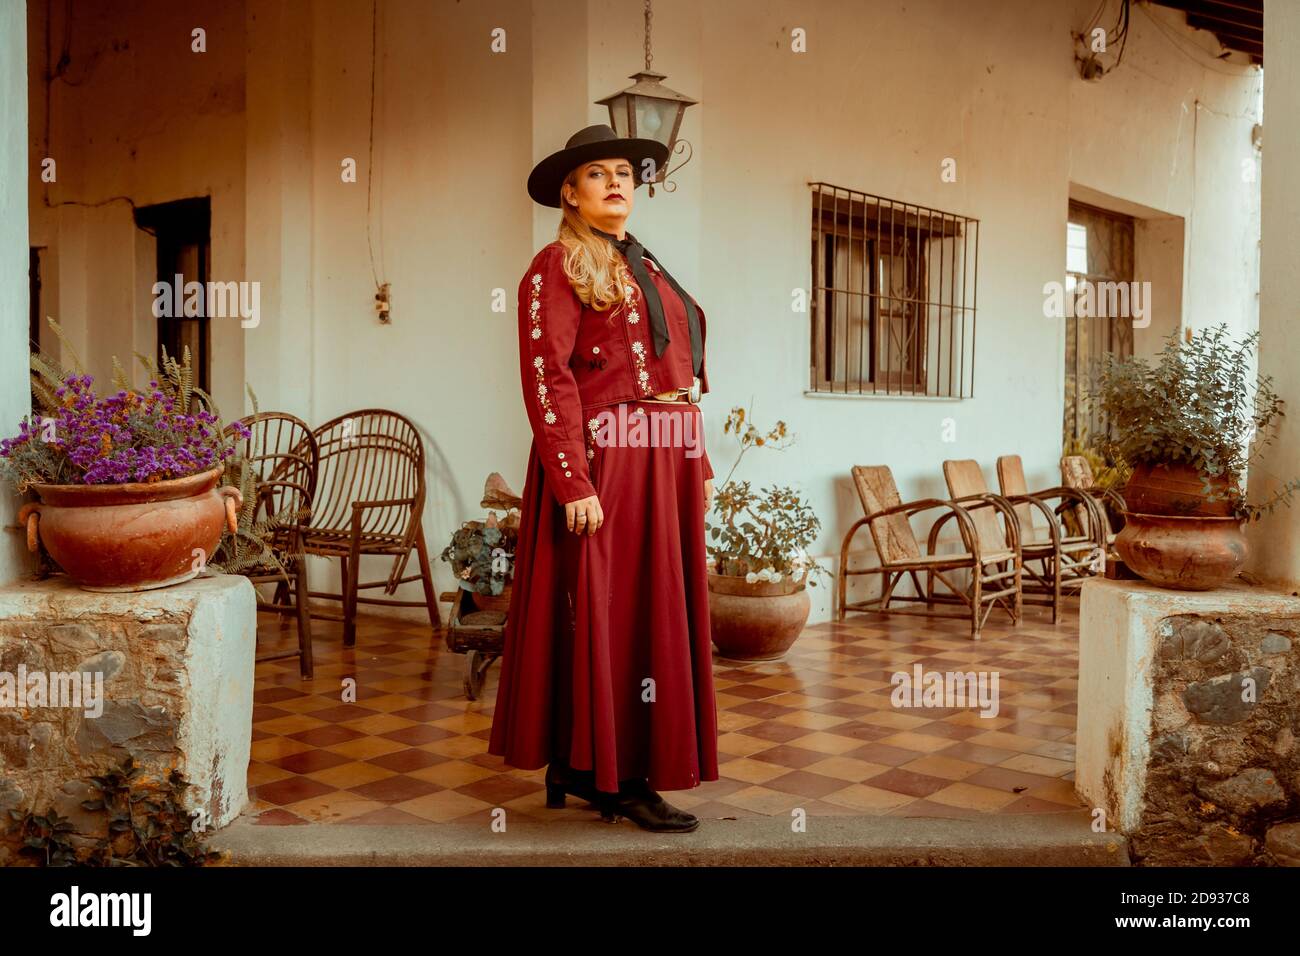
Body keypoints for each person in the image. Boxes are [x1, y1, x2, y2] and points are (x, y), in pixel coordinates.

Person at [487, 124, 719, 833]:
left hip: (665, 452)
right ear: (570, 192)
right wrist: (573, 480)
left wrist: (696, 461)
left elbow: (677, 372)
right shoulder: (554, 266)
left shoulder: (647, 266)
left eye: (625, 171)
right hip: (608, 456)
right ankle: (611, 773)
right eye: (598, 174)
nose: (618, 181)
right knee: (612, 611)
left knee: (654, 609)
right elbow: (547, 377)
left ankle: (602, 766)